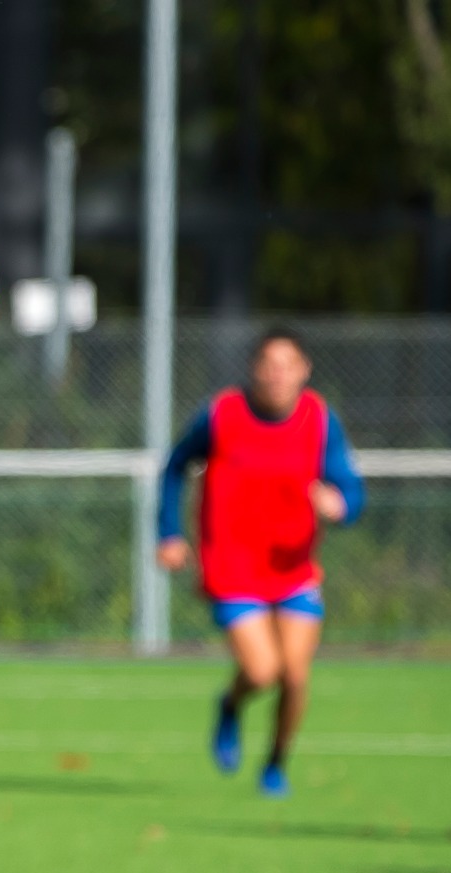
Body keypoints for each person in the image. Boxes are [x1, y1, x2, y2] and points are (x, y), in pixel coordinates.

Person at [156, 327, 365, 798]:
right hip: (232, 570)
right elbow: (174, 467)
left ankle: (275, 763)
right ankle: (230, 704)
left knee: (295, 674)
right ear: (254, 370)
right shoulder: (221, 415)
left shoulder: (319, 420)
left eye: (287, 365)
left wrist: (341, 505)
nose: (277, 375)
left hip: (294, 571)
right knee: (262, 671)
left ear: (304, 371)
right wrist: (168, 533)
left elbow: (352, 490)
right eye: (268, 365)